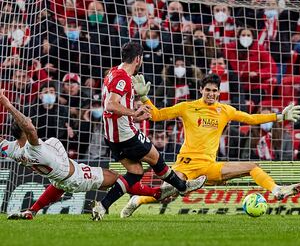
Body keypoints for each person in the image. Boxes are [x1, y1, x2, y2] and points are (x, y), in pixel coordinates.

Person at [119, 73, 300, 218]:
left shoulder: (225, 110)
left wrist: (279, 117)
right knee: (167, 193)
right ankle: (137, 200)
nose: (211, 94)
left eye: (215, 91)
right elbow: (157, 115)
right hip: (186, 164)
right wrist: (144, 97)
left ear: (219, 92)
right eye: (208, 90)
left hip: (209, 166)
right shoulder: (187, 107)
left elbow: (251, 118)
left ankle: (277, 189)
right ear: (201, 90)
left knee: (252, 167)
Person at [0, 89, 174, 220]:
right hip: (76, 176)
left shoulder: (12, 149)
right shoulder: (33, 147)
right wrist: (7, 105)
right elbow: (28, 127)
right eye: (28, 122)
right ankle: (156, 194)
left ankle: (32, 211)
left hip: (60, 177)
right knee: (115, 178)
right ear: (25, 130)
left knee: (60, 183)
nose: (30, 122)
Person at [93, 42, 206, 220]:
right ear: (138, 59)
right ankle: (183, 187)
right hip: (126, 136)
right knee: (156, 159)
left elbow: (115, 107)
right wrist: (133, 112)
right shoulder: (122, 77)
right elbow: (110, 104)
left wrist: (136, 115)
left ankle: (102, 206)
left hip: (112, 137)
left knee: (136, 173)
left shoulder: (113, 72)